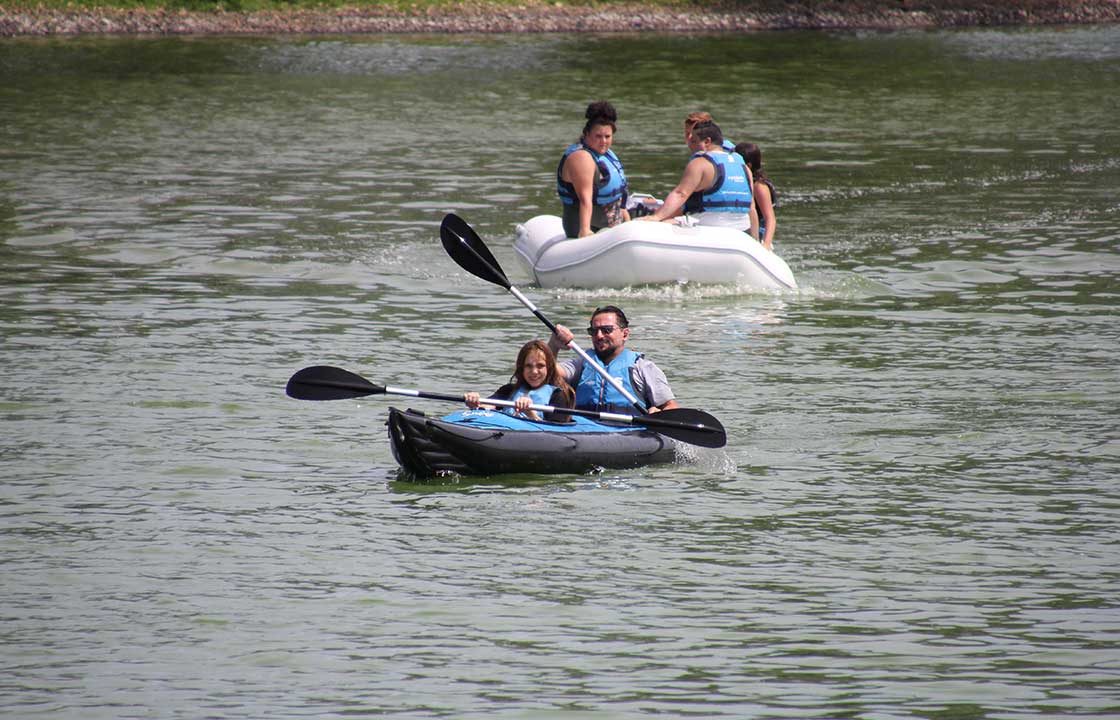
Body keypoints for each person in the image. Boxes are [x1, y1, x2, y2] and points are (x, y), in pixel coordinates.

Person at [547, 305, 679, 415]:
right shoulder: (583, 362)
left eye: (606, 330)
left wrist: (657, 413)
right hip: (584, 429)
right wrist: (553, 345)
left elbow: (671, 407)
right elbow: (546, 373)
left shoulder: (643, 368)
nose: (599, 336)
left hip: (628, 433)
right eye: (594, 331)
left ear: (625, 334)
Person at [636, 121, 754, 232]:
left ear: (707, 141)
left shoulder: (700, 163)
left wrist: (656, 217)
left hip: (709, 227)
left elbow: (680, 194)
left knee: (662, 224)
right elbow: (751, 207)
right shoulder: (743, 166)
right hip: (743, 229)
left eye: (693, 141)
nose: (689, 145)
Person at [557, 101, 630, 239]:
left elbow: (619, 198)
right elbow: (585, 199)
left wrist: (626, 219)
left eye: (607, 137)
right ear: (586, 134)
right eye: (598, 136)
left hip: (610, 223)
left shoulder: (607, 155)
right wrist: (585, 231)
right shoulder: (581, 158)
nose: (603, 141)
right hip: (586, 226)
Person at [684, 112, 760, 239]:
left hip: (722, 225)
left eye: (693, 134)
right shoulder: (729, 156)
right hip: (737, 225)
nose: (689, 139)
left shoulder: (710, 161)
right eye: (687, 134)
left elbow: (681, 196)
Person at [464, 340, 575, 422]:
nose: (534, 371)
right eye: (528, 366)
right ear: (521, 368)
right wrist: (475, 403)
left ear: (549, 368)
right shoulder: (509, 390)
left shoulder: (558, 395)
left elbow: (557, 432)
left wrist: (530, 413)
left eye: (540, 366)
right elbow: (488, 407)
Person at [736, 142, 777, 251]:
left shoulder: (759, 186)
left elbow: (770, 218)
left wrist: (766, 244)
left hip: (760, 235)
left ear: (748, 165)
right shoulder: (743, 182)